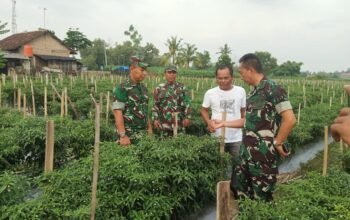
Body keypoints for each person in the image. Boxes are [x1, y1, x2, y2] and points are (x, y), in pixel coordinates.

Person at [226, 53, 296, 202]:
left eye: (241, 72)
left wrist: (278, 142)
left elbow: (290, 120)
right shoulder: (253, 92)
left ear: (250, 70)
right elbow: (249, 122)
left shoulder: (273, 89)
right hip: (246, 155)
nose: (241, 76)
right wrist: (223, 123)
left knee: (262, 199)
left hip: (263, 158)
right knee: (240, 192)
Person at [200, 64, 246, 158]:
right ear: (216, 78)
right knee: (217, 164)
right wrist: (208, 122)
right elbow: (204, 110)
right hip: (216, 137)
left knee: (238, 165)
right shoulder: (210, 93)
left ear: (232, 77)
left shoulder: (240, 91)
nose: (223, 81)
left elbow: (243, 111)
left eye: (226, 78)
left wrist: (242, 124)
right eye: (220, 78)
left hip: (236, 137)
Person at [112, 56, 152, 146]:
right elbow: (117, 112)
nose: (145, 73)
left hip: (143, 135)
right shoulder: (122, 88)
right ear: (132, 68)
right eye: (142, 70)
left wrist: (149, 129)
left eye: (146, 71)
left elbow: (145, 109)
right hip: (128, 136)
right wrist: (122, 135)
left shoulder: (143, 88)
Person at [152, 65, 191, 136]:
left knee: (180, 143)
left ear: (176, 74)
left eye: (174, 73)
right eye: (169, 72)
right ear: (165, 74)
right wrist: (155, 118)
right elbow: (155, 105)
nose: (171, 75)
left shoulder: (182, 87)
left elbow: (187, 104)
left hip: (179, 123)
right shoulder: (159, 88)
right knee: (164, 144)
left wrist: (187, 117)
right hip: (164, 124)